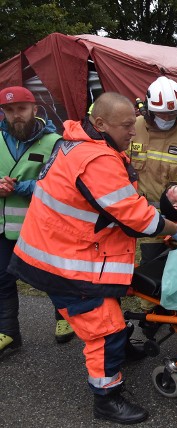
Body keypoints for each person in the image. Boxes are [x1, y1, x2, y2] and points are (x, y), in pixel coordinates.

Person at [7, 92, 177, 424]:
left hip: (61, 252)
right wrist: (175, 229)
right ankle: (107, 397)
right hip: (66, 264)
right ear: (100, 124)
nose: (133, 133)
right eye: (127, 126)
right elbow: (133, 215)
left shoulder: (77, 145)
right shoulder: (97, 159)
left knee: (109, 306)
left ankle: (121, 351)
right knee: (104, 329)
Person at [0, 86, 75, 358]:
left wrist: (22, 187)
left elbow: (61, 186)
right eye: (9, 110)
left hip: (40, 227)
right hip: (3, 227)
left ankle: (64, 316)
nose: (15, 115)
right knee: (2, 281)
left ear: (35, 109)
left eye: (21, 109)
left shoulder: (55, 142)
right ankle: (8, 332)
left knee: (51, 278)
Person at [129, 76, 177, 207]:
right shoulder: (134, 128)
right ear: (149, 110)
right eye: (162, 114)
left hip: (168, 213)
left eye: (173, 113)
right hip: (133, 208)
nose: (167, 118)